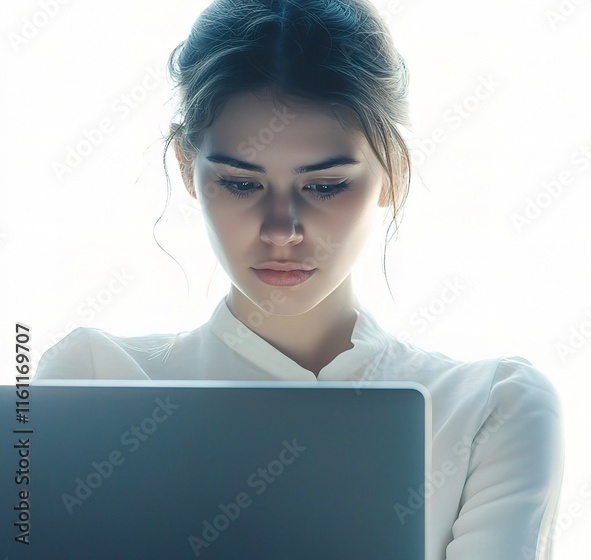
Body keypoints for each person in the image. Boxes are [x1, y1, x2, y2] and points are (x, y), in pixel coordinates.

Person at [34, 1, 564, 558]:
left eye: (326, 185)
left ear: (395, 174)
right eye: (241, 184)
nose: (281, 230)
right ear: (187, 168)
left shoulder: (489, 409)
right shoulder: (93, 382)